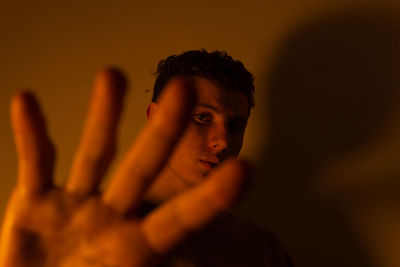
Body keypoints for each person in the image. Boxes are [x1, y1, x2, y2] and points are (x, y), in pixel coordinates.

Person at [0, 49, 292, 266]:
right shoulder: (82, 233)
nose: (223, 142)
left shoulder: (261, 249)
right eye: (203, 117)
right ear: (156, 116)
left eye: (235, 125)